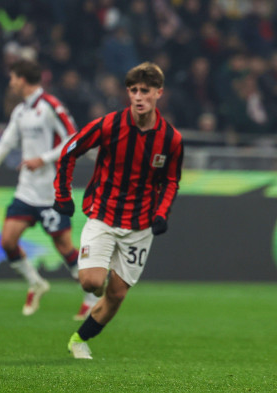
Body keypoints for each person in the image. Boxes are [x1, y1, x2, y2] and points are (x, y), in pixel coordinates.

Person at [53, 62, 184, 359]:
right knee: (92, 282)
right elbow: (70, 150)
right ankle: (98, 268)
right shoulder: (110, 124)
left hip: (140, 227)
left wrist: (163, 212)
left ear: (158, 93)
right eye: (134, 90)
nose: (138, 97)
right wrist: (62, 194)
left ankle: (79, 339)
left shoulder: (171, 139)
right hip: (104, 215)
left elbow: (172, 180)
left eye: (145, 91)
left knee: (118, 294)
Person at [0, 58, 99, 318]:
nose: (11, 83)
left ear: (22, 79)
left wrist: (44, 159)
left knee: (64, 246)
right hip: (26, 192)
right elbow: (4, 146)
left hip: (51, 192)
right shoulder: (21, 111)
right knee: (7, 241)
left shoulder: (51, 106)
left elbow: (74, 138)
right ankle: (36, 282)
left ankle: (91, 296)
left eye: (14, 78)